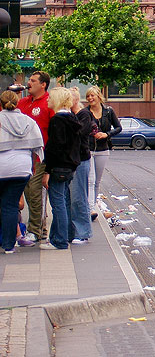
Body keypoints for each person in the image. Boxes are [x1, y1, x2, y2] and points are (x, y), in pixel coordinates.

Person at [0, 91, 44, 253]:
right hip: (22, 168)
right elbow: (37, 147)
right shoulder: (28, 121)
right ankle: (9, 245)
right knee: (10, 206)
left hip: (1, 167)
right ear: (17, 103)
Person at [39, 88, 82, 250]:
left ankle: (60, 240)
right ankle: (57, 237)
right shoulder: (72, 119)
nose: (48, 100)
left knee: (57, 204)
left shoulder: (57, 120)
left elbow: (53, 148)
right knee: (62, 202)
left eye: (50, 98)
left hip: (57, 167)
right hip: (69, 167)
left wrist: (47, 171)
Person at [18, 71, 55, 243]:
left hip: (41, 155)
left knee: (35, 191)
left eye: (33, 80)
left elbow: (54, 132)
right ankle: (40, 228)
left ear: (43, 85)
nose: (29, 83)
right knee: (27, 190)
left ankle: (35, 229)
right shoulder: (23, 102)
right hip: (24, 155)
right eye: (29, 80)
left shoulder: (49, 103)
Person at [84, 86, 121, 220]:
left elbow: (118, 127)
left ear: (99, 96)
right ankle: (91, 209)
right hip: (88, 149)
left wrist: (106, 134)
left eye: (92, 95)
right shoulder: (85, 112)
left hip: (103, 149)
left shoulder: (108, 111)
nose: (90, 98)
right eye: (88, 96)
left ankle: (92, 204)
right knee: (90, 180)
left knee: (97, 181)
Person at [67, 88, 92, 245]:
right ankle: (74, 231)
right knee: (71, 196)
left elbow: (79, 134)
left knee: (78, 196)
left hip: (81, 160)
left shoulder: (83, 115)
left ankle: (82, 232)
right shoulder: (72, 115)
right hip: (73, 161)